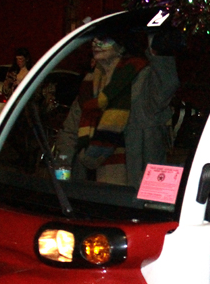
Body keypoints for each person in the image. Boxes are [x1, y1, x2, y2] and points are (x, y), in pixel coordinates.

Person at [56, 37, 147, 181]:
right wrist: (62, 176)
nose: (96, 44)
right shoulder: (88, 85)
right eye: (94, 40)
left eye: (105, 40)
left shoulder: (137, 77)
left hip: (123, 180)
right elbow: (69, 133)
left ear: (121, 48)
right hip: (85, 179)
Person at [123, 31, 180, 189]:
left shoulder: (144, 76)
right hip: (92, 181)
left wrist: (159, 53)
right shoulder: (93, 78)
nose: (96, 45)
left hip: (135, 176)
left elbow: (168, 83)